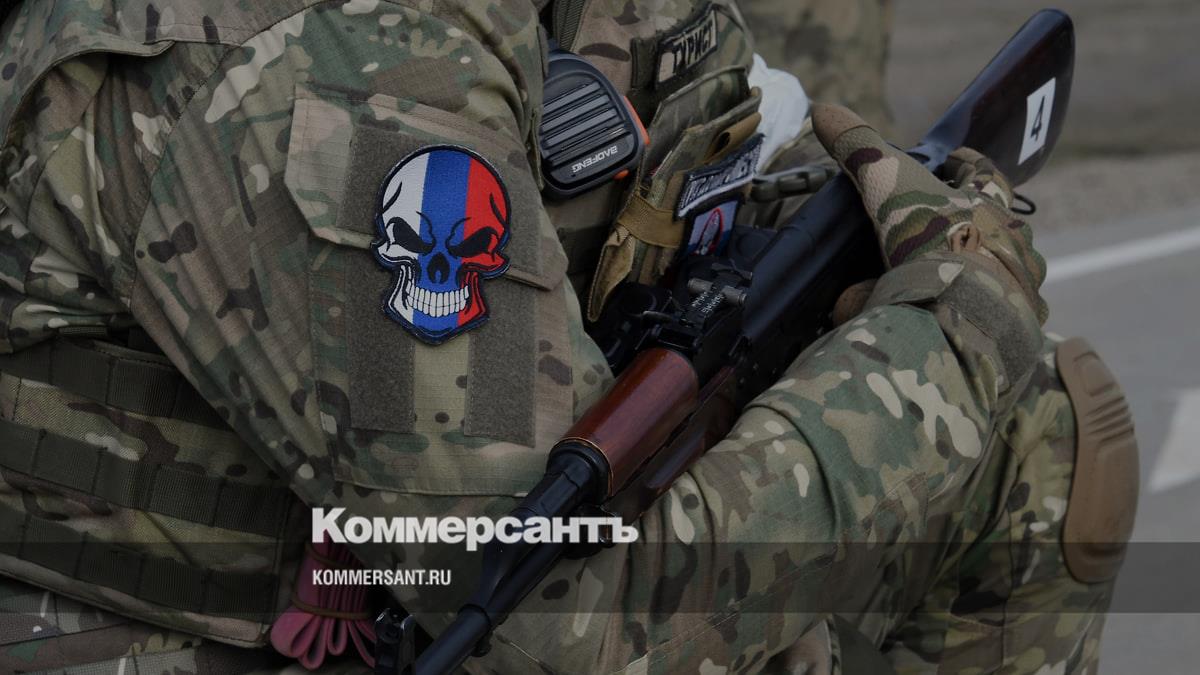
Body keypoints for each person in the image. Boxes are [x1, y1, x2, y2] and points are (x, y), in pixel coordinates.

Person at [0, 1, 1136, 673]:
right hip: (242, 630)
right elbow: (556, 622)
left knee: (1039, 443)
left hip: (499, 548)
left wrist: (845, 234)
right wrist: (949, 342)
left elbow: (711, 173)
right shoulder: (328, 67)